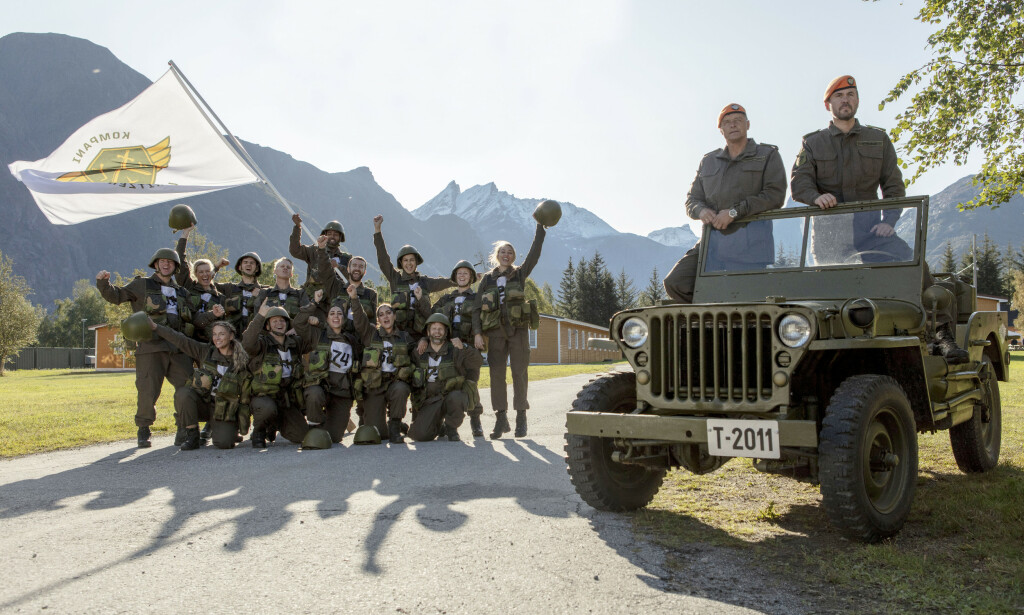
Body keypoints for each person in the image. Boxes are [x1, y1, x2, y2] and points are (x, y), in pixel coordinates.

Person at [791, 74, 967, 362]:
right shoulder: (813, 143)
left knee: (915, 271)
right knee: (828, 296)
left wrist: (890, 220)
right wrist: (815, 197)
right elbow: (799, 184)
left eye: (850, 95)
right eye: (839, 96)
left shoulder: (878, 139)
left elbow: (894, 186)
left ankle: (942, 336)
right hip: (830, 236)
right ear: (828, 104)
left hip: (872, 230)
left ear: (857, 100)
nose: (845, 100)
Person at [663, 103, 786, 304]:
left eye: (738, 120)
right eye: (727, 122)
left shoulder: (767, 155)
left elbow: (775, 195)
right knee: (675, 282)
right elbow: (692, 199)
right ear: (721, 130)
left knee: (745, 304)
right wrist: (701, 210)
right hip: (712, 244)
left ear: (748, 124)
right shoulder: (709, 161)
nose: (733, 125)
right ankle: (708, 321)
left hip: (751, 246)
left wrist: (735, 212)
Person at [96, 249, 194, 447]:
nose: (166, 265)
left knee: (188, 388)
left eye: (170, 262)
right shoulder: (142, 285)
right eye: (162, 262)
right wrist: (103, 283)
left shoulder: (182, 292)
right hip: (151, 347)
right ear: (155, 265)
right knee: (147, 390)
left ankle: (184, 428)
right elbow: (117, 296)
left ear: (175, 267)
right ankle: (144, 429)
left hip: (178, 348)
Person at [475, 222, 546, 438]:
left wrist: (540, 229)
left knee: (519, 373)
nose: (506, 255)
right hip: (495, 332)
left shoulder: (520, 274)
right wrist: (478, 333)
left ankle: (521, 418)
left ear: (514, 256)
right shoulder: (487, 279)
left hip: (518, 331)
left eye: (510, 252)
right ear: (496, 255)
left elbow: (534, 255)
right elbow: (477, 307)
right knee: (496, 374)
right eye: (503, 252)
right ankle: (501, 419)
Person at [150, 319, 250, 450]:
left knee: (224, 443)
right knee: (183, 394)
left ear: (231, 336)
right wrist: (155, 326)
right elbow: (181, 340)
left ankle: (224, 429)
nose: (217, 338)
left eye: (221, 334)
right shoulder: (206, 351)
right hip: (203, 403)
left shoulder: (241, 359)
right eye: (214, 334)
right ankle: (192, 435)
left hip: (224, 409)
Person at [421, 260, 485, 437]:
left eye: (466, 273)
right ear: (455, 277)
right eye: (459, 273)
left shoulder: (478, 297)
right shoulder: (445, 299)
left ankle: (475, 420)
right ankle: (444, 421)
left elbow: (484, 319)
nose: (462, 276)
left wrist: (478, 337)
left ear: (471, 277)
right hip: (447, 347)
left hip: (469, 346)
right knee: (448, 382)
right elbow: (432, 316)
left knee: (471, 382)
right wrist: (421, 300)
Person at [293, 287, 363, 444]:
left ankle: (326, 420)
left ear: (344, 318)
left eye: (339, 313)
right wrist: (314, 303)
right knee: (314, 394)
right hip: (321, 386)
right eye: (332, 313)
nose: (336, 316)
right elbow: (298, 323)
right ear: (327, 318)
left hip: (342, 392)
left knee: (334, 438)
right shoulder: (318, 335)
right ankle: (314, 427)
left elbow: (362, 323)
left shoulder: (351, 340)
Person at [373, 214, 455, 337]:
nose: (409, 263)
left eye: (412, 260)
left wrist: (468, 277)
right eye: (405, 260)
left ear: (416, 262)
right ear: (401, 263)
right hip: (399, 334)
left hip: (420, 335)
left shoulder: (425, 282)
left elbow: (446, 282)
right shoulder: (396, 279)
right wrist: (377, 230)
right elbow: (383, 259)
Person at [242, 300, 310, 447]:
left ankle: (274, 424)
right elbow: (247, 343)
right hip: (264, 397)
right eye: (274, 321)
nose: (279, 323)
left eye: (282, 321)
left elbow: (310, 340)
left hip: (286, 399)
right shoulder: (262, 344)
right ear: (267, 326)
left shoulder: (294, 343)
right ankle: (259, 431)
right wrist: (260, 315)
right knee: (267, 408)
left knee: (302, 435)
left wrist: (309, 316)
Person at [351, 298, 417, 444]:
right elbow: (360, 319)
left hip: (395, 382)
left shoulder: (404, 337)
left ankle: (395, 426)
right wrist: (355, 299)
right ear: (378, 319)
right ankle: (397, 426)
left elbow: (417, 355)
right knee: (378, 434)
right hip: (374, 385)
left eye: (388, 313)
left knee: (401, 389)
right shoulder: (371, 334)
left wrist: (424, 340)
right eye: (381, 314)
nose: (385, 316)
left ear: (394, 316)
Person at [409, 313, 483, 442]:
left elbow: (477, 362)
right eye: (434, 329)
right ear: (428, 331)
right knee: (420, 436)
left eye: (440, 329)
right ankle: (439, 427)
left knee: (458, 396)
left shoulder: (454, 350)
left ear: (446, 332)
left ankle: (451, 427)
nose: (437, 332)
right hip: (429, 400)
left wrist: (464, 348)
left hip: (450, 396)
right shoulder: (419, 351)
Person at [174, 225, 226, 344]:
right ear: (195, 274)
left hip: (209, 344)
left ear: (211, 273)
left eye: (207, 271)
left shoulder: (219, 298)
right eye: (201, 272)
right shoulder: (189, 287)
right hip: (187, 341)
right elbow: (181, 262)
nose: (204, 274)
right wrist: (185, 234)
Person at [290, 213, 351, 295]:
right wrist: (297, 228)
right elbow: (295, 251)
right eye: (329, 234)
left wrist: (338, 267)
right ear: (325, 236)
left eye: (335, 234)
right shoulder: (313, 251)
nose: (332, 236)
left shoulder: (346, 258)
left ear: (340, 237)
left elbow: (352, 277)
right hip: (312, 297)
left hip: (334, 298)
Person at [217, 252, 266, 334]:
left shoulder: (264, 291)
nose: (248, 265)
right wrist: (217, 267)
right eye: (245, 262)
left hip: (254, 337)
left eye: (252, 263)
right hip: (231, 336)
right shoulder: (229, 288)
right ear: (240, 267)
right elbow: (206, 283)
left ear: (257, 268)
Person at [254, 257, 310, 322]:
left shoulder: (300, 294)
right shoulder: (264, 293)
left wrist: (295, 330)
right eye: (282, 266)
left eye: (288, 267)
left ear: (291, 274)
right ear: (275, 271)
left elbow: (306, 316)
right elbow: (257, 318)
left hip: (294, 331)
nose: (285, 268)